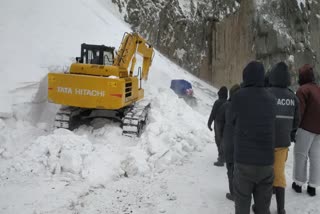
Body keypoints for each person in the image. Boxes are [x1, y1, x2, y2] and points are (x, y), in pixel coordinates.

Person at [231, 61, 276, 214]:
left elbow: (231, 120)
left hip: (244, 162)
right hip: (266, 163)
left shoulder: (238, 97)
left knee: (242, 206)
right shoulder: (271, 99)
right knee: (263, 208)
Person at [266, 62, 300, 214]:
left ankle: (262, 206)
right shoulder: (293, 98)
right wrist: (289, 133)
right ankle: (281, 209)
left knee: (265, 174)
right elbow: (296, 122)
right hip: (282, 143)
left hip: (265, 142)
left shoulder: (266, 93)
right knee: (279, 174)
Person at [292, 64, 320, 197]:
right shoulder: (318, 89)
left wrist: (294, 128)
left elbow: (299, 113)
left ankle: (298, 183)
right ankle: (313, 186)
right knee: (316, 157)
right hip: (318, 130)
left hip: (305, 128)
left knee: (300, 155)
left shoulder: (302, 90)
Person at [221, 83, 240, 201]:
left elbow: (220, 122)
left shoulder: (226, 105)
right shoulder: (246, 106)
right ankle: (241, 191)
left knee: (230, 168)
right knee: (239, 169)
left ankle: (233, 193)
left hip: (229, 141)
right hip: (241, 142)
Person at [208, 86, 228, 166]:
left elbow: (213, 113)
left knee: (218, 141)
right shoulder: (228, 102)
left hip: (218, 123)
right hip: (226, 124)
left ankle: (221, 159)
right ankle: (224, 156)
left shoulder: (217, 102)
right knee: (224, 141)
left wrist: (209, 123)